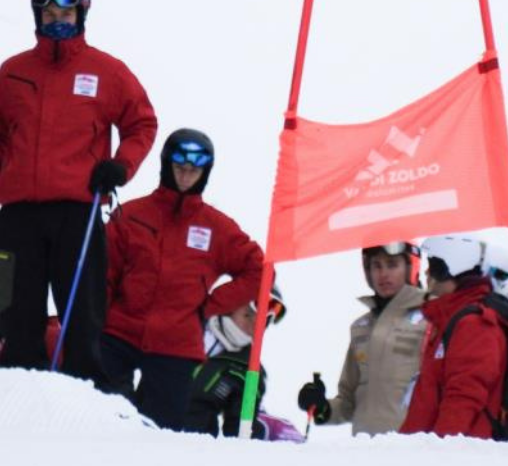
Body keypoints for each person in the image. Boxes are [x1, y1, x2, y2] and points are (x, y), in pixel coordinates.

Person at [0, 0, 157, 379]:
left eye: (65, 14)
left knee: (82, 311)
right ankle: (16, 386)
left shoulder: (107, 71)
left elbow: (142, 123)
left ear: (81, 15)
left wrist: (120, 166)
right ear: (37, 15)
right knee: (14, 309)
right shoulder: (12, 73)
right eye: (49, 13)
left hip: (77, 210)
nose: (57, 21)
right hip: (18, 213)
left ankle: (83, 392)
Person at [100, 129, 263, 430]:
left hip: (176, 345)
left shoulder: (217, 228)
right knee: (104, 422)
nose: (186, 176)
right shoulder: (131, 215)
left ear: (205, 173)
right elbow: (103, 274)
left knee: (159, 436)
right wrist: (97, 320)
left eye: (194, 170)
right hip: (119, 333)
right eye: (179, 168)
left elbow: (260, 271)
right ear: (166, 166)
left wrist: (208, 306)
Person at [297, 242, 427, 436]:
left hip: (413, 445)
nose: (383, 274)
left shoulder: (430, 319)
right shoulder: (361, 327)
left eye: (392, 265)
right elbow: (348, 402)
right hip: (365, 446)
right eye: (376, 266)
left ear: (411, 267)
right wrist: (322, 407)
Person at [400, 235, 508, 439]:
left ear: (449, 270)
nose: (426, 273)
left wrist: (440, 450)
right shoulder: (447, 321)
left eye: (433, 266)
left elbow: (464, 398)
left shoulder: (475, 325)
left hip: (455, 453)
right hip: (423, 450)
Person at [185, 284, 289, 439]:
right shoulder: (188, 323)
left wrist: (268, 432)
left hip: (186, 442)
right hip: (149, 426)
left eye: (264, 320)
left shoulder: (248, 369)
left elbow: (241, 431)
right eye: (249, 314)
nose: (255, 321)